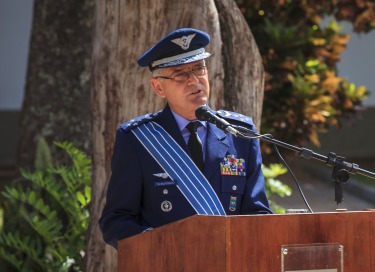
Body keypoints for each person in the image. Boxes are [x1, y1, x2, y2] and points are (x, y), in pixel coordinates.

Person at [99, 28, 272, 249]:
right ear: (158, 87)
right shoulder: (138, 140)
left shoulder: (239, 133)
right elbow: (116, 221)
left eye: (199, 69)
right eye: (180, 74)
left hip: (230, 269)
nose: (194, 81)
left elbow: (257, 213)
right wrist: (165, 247)